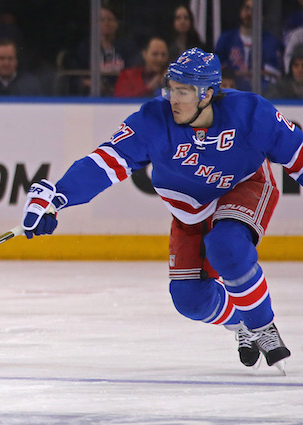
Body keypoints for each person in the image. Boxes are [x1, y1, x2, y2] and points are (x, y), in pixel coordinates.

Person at [21, 48, 295, 371]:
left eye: (183, 91)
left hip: (244, 186)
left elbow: (298, 154)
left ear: (207, 94)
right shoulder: (153, 120)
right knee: (189, 299)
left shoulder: (250, 114)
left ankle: (263, 326)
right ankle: (242, 323)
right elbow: (106, 162)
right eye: (171, 88)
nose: (173, 99)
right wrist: (58, 196)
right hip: (189, 208)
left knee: (227, 246)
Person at [64, 5, 138, 97]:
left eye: (110, 20)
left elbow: (134, 72)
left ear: (116, 24)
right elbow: (76, 77)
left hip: (122, 96)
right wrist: (90, 83)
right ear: (93, 24)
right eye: (101, 20)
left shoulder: (127, 46)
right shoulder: (85, 49)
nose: (106, 23)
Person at [214, 0, 282, 91]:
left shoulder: (271, 42)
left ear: (262, 16)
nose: (249, 14)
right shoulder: (226, 39)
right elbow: (218, 70)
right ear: (240, 11)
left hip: (262, 94)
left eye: (254, 10)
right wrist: (255, 73)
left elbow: (272, 75)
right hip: (231, 93)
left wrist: (235, 73)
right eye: (247, 8)